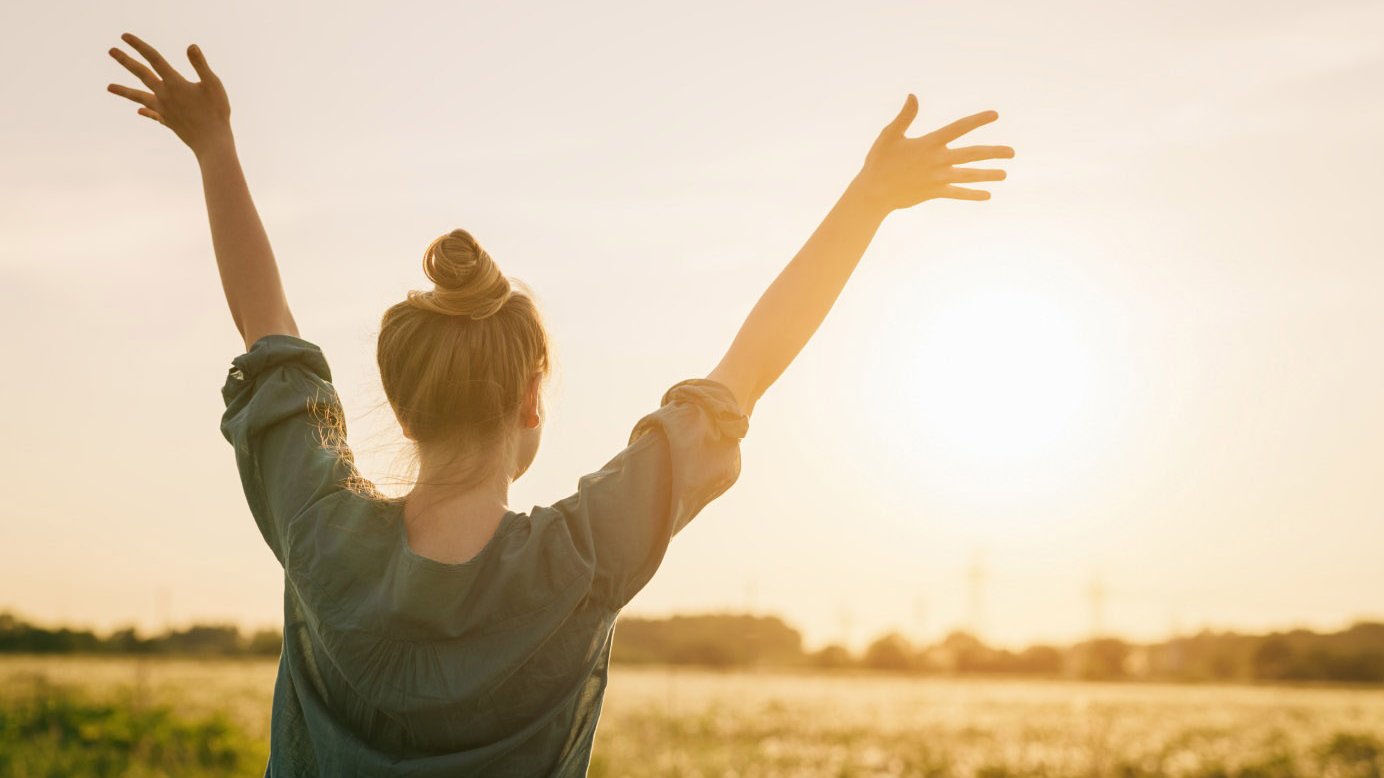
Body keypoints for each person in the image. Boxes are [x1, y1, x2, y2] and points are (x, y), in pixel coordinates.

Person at [106, 31, 1013, 777]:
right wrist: (867, 201)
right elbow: (743, 374)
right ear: (531, 403)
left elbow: (268, 332)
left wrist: (214, 147)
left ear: (402, 402)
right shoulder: (582, 559)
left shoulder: (317, 530)